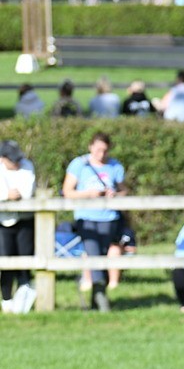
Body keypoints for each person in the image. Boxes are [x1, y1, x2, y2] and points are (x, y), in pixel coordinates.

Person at [63, 132, 128, 311]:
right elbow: (67, 191)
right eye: (98, 150)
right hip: (86, 217)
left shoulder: (115, 166)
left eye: (105, 150)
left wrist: (115, 194)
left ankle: (96, 300)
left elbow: (124, 190)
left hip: (108, 217)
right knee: (93, 255)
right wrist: (90, 194)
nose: (101, 154)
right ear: (91, 147)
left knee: (102, 255)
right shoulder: (79, 164)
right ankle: (102, 300)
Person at [0, 141, 37, 315]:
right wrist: (6, 195)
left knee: (25, 260)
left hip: (25, 220)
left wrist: (8, 196)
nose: (17, 163)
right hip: (4, 222)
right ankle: (7, 300)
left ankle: (23, 302)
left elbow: (27, 192)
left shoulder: (27, 166)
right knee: (6, 262)